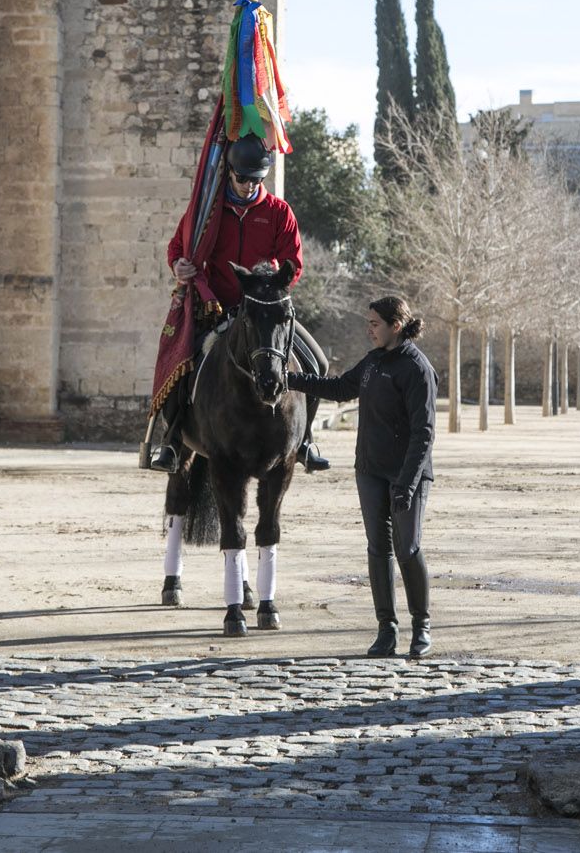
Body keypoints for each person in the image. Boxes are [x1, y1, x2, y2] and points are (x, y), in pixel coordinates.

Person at [142, 132, 330, 474]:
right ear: (229, 172)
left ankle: (305, 441)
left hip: (263, 309)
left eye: (255, 179)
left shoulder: (278, 212)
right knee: (178, 361)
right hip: (214, 306)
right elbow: (176, 248)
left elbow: (294, 263)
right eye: (241, 178)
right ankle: (170, 439)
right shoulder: (206, 211)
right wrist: (178, 266)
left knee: (317, 364)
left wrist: (273, 286)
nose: (247, 185)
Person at [286, 296, 436, 658]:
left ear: (395, 326)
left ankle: (421, 627)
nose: (368, 329)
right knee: (377, 549)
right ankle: (387, 629)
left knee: (408, 548)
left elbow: (425, 433)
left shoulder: (417, 369)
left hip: (406, 475)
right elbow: (339, 388)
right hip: (369, 471)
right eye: (368, 323)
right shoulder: (372, 362)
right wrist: (289, 378)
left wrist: (409, 483)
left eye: (374, 324)